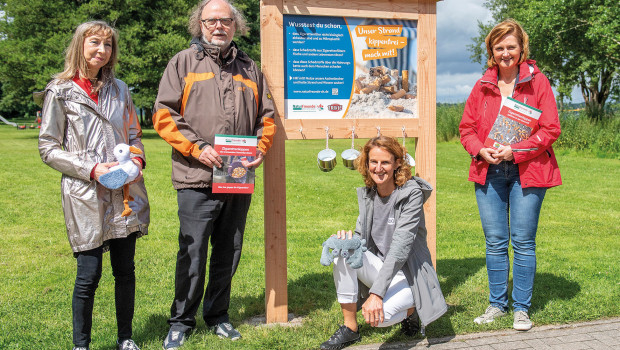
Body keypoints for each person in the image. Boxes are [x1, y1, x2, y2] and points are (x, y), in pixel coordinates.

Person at [152, 0, 276, 348]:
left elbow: (266, 119)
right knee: (192, 252)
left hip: (237, 176)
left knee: (229, 250)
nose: (218, 26)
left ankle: (218, 315)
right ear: (199, 25)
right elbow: (163, 114)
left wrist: (259, 150)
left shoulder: (251, 68)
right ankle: (181, 321)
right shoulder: (182, 63)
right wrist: (197, 147)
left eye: (225, 20)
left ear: (236, 25)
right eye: (211, 21)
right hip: (195, 175)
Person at [38, 21, 149, 350]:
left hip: (124, 195)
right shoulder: (59, 91)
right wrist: (92, 168)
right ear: (80, 45)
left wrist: (136, 162)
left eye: (108, 45)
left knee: (125, 270)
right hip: (84, 194)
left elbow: (133, 136)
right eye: (95, 42)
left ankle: (126, 339)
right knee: (88, 275)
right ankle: (81, 345)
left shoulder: (121, 90)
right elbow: (48, 148)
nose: (102, 50)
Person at [459, 19, 562, 331]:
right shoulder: (481, 86)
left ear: (521, 49)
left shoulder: (538, 82)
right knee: (494, 242)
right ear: (491, 50)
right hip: (488, 171)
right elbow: (466, 130)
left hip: (527, 172)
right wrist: (480, 150)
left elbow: (550, 129)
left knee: (523, 241)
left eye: (511, 47)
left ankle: (521, 309)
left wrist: (516, 152)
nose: (505, 53)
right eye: (499, 47)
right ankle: (496, 305)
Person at [320, 136, 447, 350]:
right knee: (343, 250)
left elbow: (400, 249)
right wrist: (348, 239)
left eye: (385, 162)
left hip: (409, 274)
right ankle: (350, 328)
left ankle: (412, 309)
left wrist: (376, 294)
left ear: (398, 163)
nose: (378, 168)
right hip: (381, 268)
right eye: (373, 162)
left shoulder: (411, 194)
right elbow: (361, 239)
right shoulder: (370, 194)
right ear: (366, 163)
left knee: (377, 319)